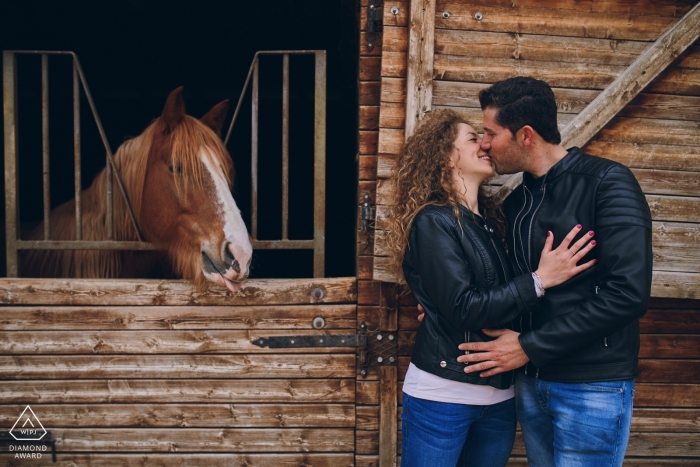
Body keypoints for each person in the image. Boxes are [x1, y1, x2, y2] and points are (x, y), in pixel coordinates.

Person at [455, 77, 653, 467]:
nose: (484, 144)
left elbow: (628, 294)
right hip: (531, 382)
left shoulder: (607, 183)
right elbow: (504, 284)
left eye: (491, 133)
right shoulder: (515, 204)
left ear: (525, 135)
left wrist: (528, 346)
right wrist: (446, 303)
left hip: (591, 385)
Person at [386, 108, 596, 467]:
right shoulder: (433, 221)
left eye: (485, 137)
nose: (485, 144)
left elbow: (487, 300)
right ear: (446, 157)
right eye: (472, 139)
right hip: (444, 394)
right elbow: (465, 307)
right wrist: (540, 280)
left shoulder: (494, 221)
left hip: (499, 401)